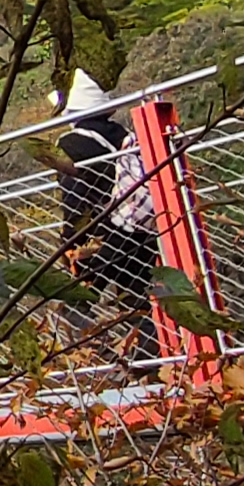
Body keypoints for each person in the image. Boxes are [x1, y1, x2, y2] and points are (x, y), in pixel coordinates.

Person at [51, 74, 162, 366]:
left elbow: (74, 199)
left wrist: (69, 240)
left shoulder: (71, 144)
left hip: (100, 234)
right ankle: (150, 364)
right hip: (139, 227)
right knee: (138, 299)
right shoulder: (122, 136)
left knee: (77, 301)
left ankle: (99, 366)